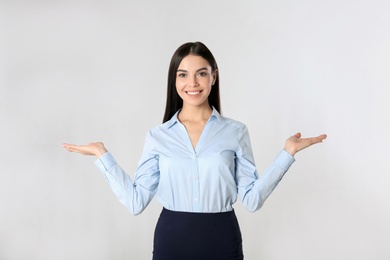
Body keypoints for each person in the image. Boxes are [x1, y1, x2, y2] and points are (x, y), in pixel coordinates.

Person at [62, 41, 327, 260]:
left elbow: (251, 200)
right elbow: (136, 202)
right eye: (183, 74)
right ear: (174, 80)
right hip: (172, 240)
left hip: (222, 240)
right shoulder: (158, 136)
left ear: (214, 75)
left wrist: (287, 154)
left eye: (201, 73)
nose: (193, 82)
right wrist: (102, 156)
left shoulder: (235, 132)